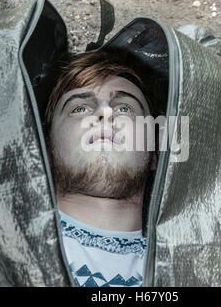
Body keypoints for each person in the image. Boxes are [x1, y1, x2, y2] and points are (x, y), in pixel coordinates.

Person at [45, 50, 158, 287]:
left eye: (125, 109)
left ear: (154, 154)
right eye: (79, 109)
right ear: (47, 150)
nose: (105, 112)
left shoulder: (191, 269)